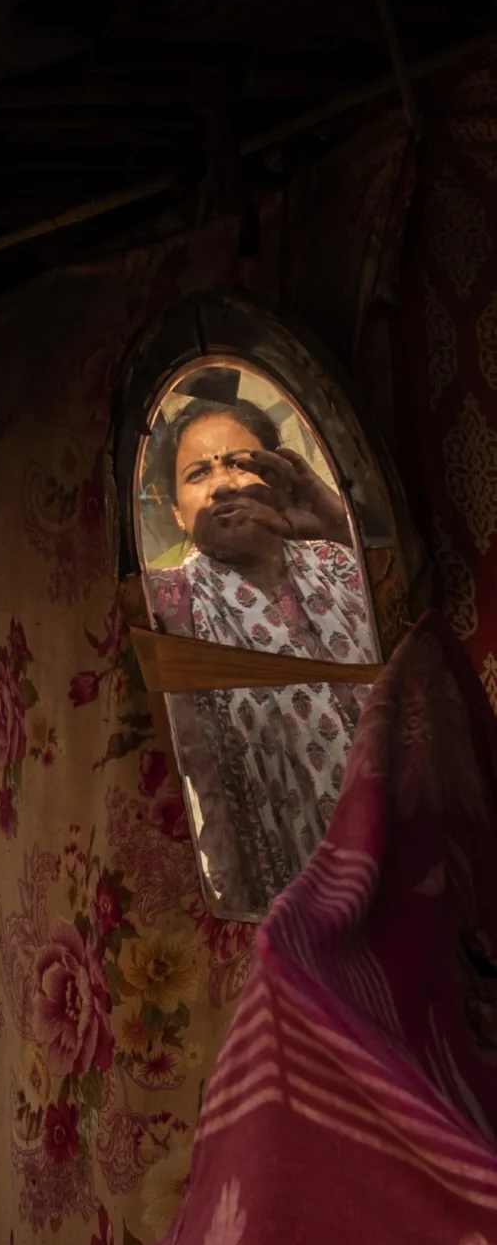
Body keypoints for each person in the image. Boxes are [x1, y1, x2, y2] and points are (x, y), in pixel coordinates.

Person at [142, 388, 376, 915]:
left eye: (242, 464)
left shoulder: (340, 562)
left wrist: (343, 527)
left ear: (278, 476)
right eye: (198, 474)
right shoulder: (168, 604)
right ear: (178, 514)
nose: (223, 483)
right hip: (286, 905)